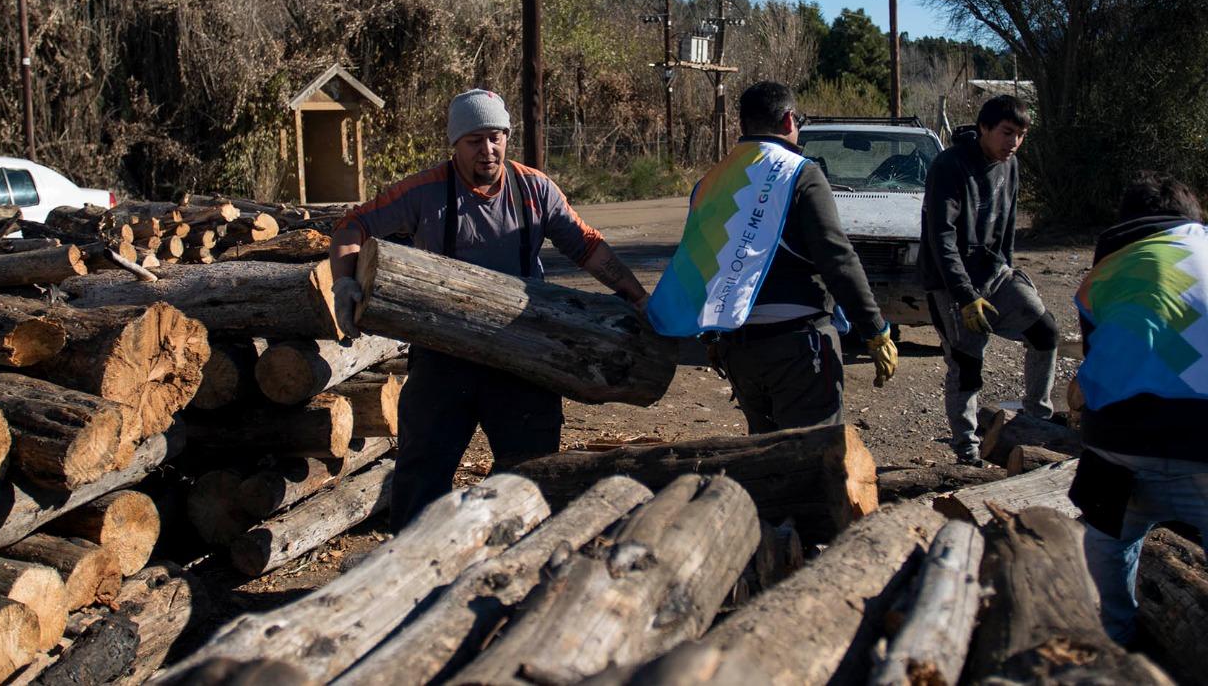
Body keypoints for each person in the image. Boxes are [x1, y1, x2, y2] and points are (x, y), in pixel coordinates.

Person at [329, 88, 649, 530]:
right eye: (474, 140)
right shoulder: (424, 192)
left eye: (496, 137)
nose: (488, 149)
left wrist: (637, 297)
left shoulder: (535, 189)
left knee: (532, 475)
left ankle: (520, 569)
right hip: (443, 358)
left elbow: (587, 246)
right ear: (455, 144)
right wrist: (344, 282)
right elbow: (353, 225)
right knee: (421, 476)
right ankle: (414, 572)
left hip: (525, 357)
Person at [647, 81, 897, 432]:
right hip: (799, 346)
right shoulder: (799, 173)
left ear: (742, 125)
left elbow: (701, 265)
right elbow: (837, 258)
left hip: (740, 350)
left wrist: (712, 338)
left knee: (767, 464)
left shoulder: (711, 181)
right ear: (789, 120)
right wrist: (875, 330)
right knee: (813, 461)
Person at [1071, 173, 1208, 645]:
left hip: (1119, 445)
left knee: (1109, 541)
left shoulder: (1104, 274)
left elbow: (1100, 370)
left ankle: (1114, 637)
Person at [920, 94, 1058, 465]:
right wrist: (965, 295)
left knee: (1045, 332)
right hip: (952, 284)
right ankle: (966, 449)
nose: (1013, 142)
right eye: (1007, 132)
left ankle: (1036, 422)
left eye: (1021, 135)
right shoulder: (950, 166)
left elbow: (1008, 224)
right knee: (967, 363)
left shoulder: (1009, 165)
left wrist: (1010, 270)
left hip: (995, 274)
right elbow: (941, 239)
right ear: (983, 128)